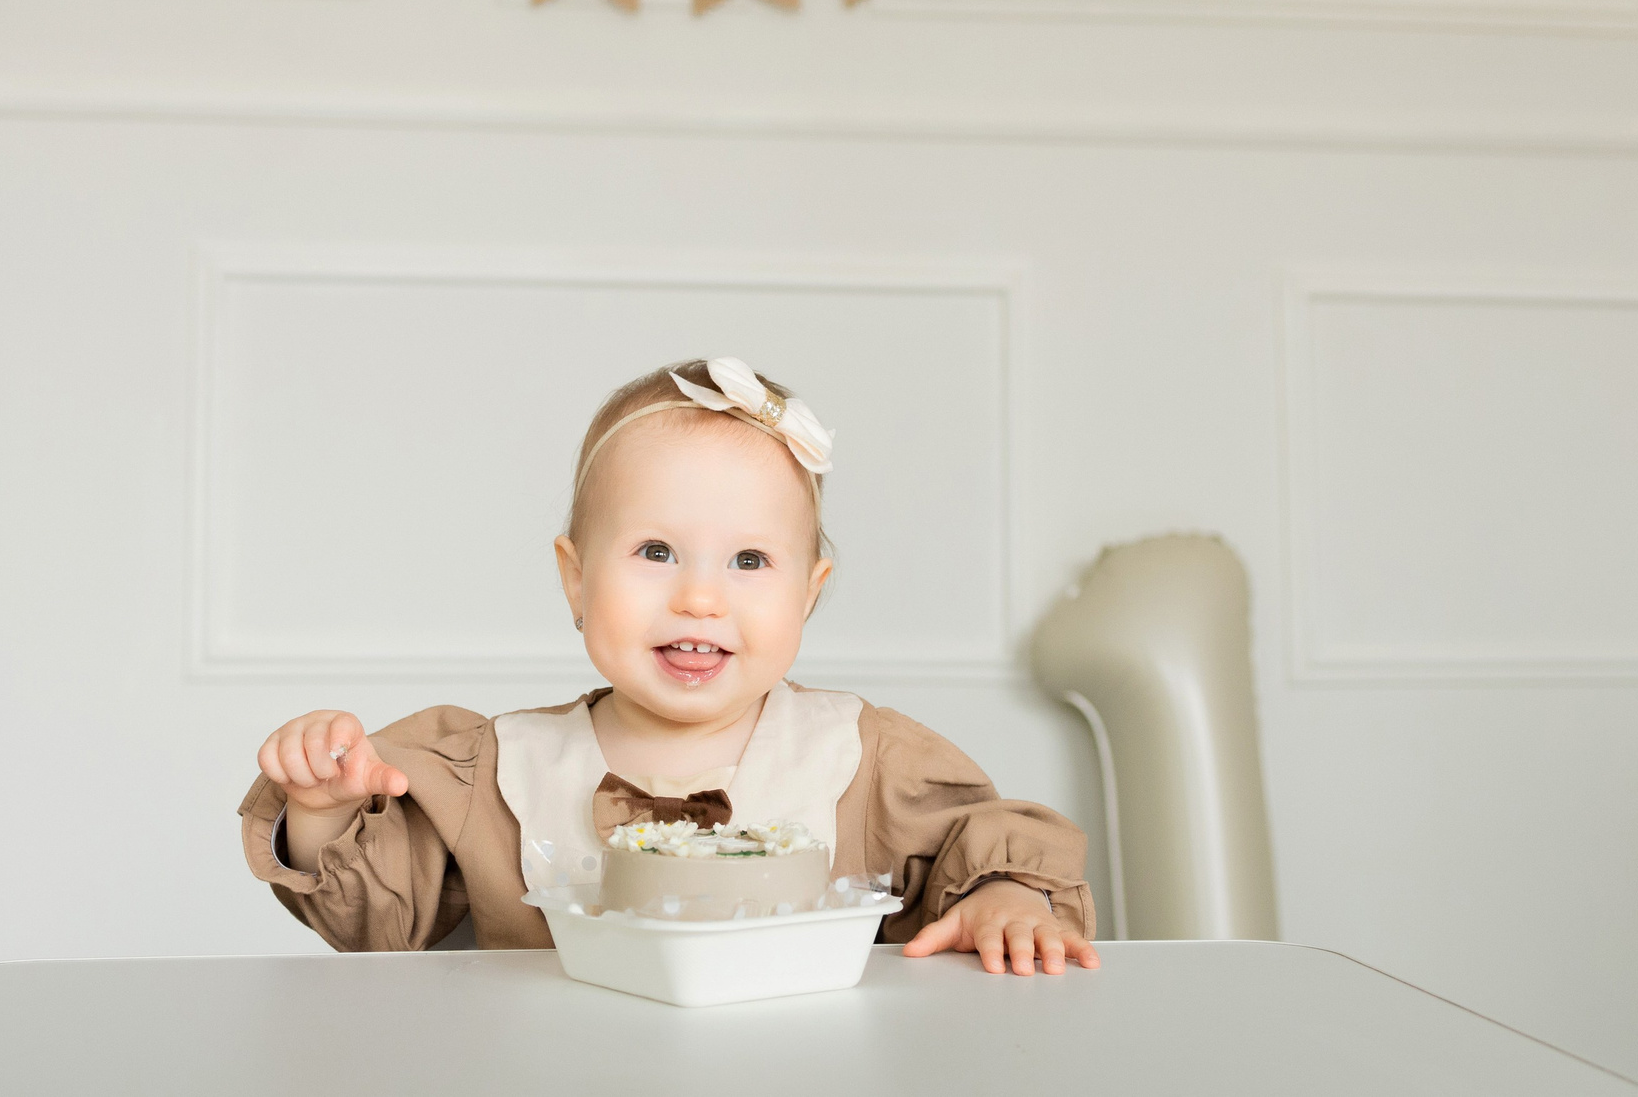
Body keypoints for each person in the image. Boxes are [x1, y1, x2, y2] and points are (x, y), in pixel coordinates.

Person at [241, 358, 1099, 977]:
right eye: (655, 549)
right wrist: (323, 809)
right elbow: (372, 925)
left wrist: (1010, 900)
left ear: (809, 592)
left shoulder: (861, 761)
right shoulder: (497, 773)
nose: (699, 597)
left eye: (750, 561)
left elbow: (985, 842)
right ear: (575, 576)